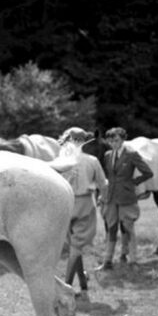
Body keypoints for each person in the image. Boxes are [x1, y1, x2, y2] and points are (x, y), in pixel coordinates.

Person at [56, 128, 107, 302]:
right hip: (84, 204)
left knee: (73, 246)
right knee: (76, 247)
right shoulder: (92, 161)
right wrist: (103, 199)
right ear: (84, 141)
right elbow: (102, 183)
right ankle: (67, 288)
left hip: (65, 204)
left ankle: (83, 284)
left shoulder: (61, 161)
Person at [98, 127, 153, 269]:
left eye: (116, 140)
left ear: (123, 139)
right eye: (110, 141)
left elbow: (148, 172)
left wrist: (133, 183)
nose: (113, 143)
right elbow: (108, 176)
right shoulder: (108, 155)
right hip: (110, 197)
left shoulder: (131, 154)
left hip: (126, 197)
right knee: (111, 228)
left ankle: (133, 260)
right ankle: (107, 261)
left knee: (128, 227)